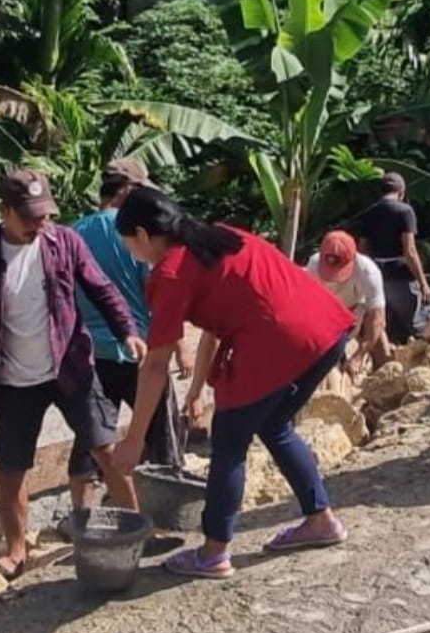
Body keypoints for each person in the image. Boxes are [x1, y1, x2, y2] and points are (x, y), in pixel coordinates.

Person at [110, 187, 356, 580]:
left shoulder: (171, 273)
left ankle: (213, 552)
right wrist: (199, 388)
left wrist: (134, 440)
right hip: (327, 328)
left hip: (278, 342)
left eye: (128, 244)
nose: (131, 252)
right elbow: (224, 321)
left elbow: (155, 365)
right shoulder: (221, 236)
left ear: (142, 235)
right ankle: (320, 520)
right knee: (274, 426)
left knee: (228, 445)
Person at [0, 169, 146, 579]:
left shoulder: (64, 242)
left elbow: (102, 288)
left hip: (70, 366)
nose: (41, 224)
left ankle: (138, 536)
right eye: (31, 217)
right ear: (4, 212)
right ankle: (17, 551)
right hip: (15, 380)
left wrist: (127, 330)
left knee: (106, 450)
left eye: (45, 215)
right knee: (11, 467)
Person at [67, 160, 193, 513]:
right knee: (160, 433)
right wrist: (180, 348)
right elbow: (158, 295)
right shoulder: (137, 233)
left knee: (92, 433)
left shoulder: (72, 233)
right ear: (125, 190)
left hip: (90, 354)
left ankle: (81, 513)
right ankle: (163, 509)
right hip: (139, 351)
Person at [355, 173, 430, 344]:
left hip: (376, 277)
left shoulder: (370, 212)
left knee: (383, 329)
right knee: (419, 326)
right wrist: (423, 283)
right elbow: (410, 250)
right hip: (400, 277)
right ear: (401, 192)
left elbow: (362, 248)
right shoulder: (405, 211)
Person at [306, 229, 391, 371]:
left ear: (353, 258)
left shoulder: (368, 272)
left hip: (357, 308)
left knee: (378, 333)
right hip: (327, 309)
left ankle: (385, 373)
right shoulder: (313, 266)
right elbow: (307, 310)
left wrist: (358, 357)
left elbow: (378, 318)